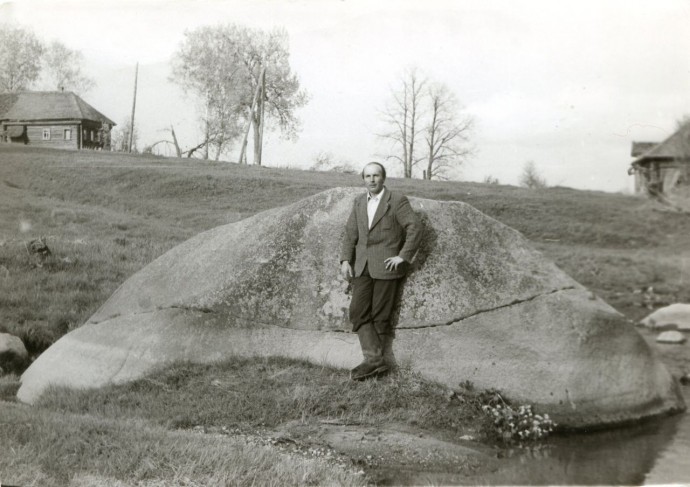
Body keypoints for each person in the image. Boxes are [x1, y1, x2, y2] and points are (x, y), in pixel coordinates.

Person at [340, 162, 423, 381]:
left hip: (387, 268)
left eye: (376, 175)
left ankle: (372, 363)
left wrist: (403, 256)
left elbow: (414, 227)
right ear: (363, 179)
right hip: (362, 266)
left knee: (380, 316)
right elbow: (350, 234)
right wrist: (346, 259)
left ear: (383, 178)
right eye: (368, 176)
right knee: (357, 312)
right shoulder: (358, 202)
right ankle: (376, 361)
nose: (372, 180)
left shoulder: (396, 201)